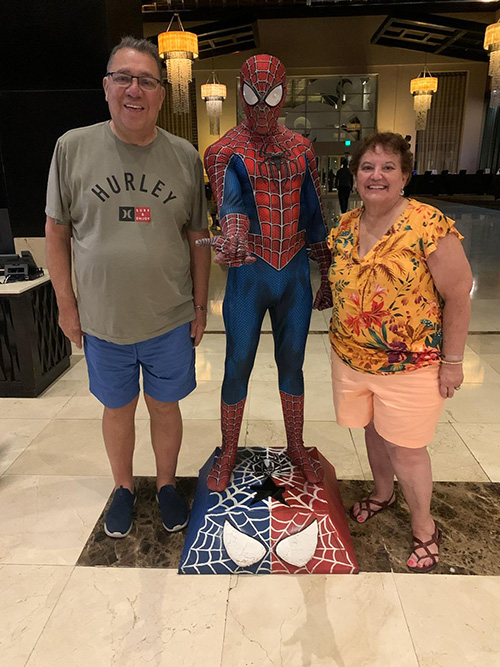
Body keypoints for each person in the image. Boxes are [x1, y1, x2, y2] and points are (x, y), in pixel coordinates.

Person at [45, 36, 210, 538]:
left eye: (146, 80)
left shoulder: (184, 156)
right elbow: (57, 230)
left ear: (161, 93)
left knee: (165, 405)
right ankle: (122, 487)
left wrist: (201, 305)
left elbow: (199, 237)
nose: (134, 89)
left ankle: (163, 485)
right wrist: (66, 307)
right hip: (104, 319)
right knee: (117, 408)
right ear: (106, 87)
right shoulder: (72, 147)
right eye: (123, 77)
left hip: (169, 315)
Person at [327, 132, 472, 572]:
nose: (377, 175)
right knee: (372, 430)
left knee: (407, 448)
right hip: (350, 359)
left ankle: (425, 528)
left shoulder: (428, 224)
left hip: (411, 365)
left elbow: (459, 295)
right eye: (368, 167)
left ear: (404, 176)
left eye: (388, 167)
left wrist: (453, 361)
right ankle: (381, 493)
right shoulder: (346, 226)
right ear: (355, 176)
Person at [201, 54, 333, 492]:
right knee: (236, 363)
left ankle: (296, 447)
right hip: (250, 274)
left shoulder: (301, 148)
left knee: (292, 364)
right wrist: (233, 235)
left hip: (293, 272)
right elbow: (231, 203)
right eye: (253, 96)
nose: (261, 106)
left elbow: (313, 211)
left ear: (283, 94)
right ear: (240, 93)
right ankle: (228, 452)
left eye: (270, 95)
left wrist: (327, 269)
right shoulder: (223, 151)